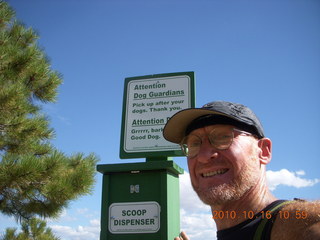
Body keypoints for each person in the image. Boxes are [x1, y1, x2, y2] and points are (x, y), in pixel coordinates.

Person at [163, 101, 320, 240]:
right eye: (194, 144)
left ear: (263, 151)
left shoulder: (298, 225)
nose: (204, 156)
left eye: (223, 137)